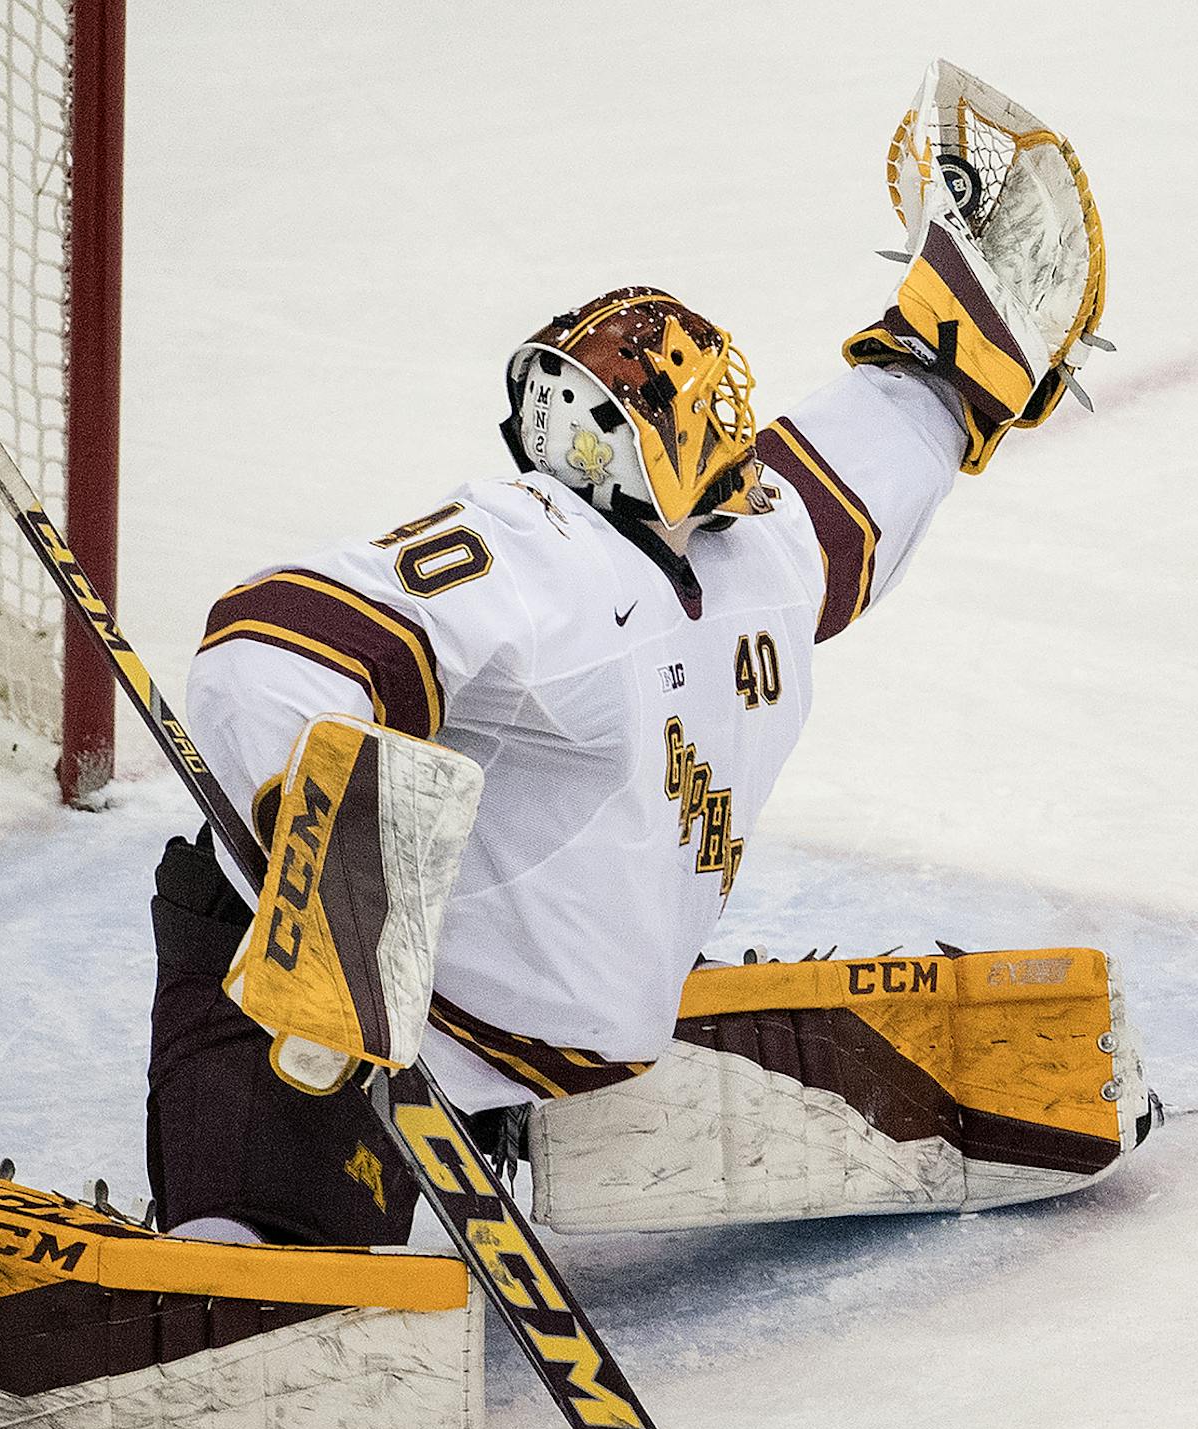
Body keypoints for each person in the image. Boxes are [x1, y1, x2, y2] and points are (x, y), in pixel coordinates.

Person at [146, 70, 1146, 1250]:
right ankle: (240, 1232)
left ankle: (544, 1080)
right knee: (253, 1274)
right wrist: (345, 911)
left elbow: (891, 432)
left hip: (561, 1029)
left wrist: (961, 353)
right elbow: (267, 651)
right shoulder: (535, 549)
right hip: (301, 1004)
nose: (570, 446)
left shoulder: (769, 547)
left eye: (603, 416)